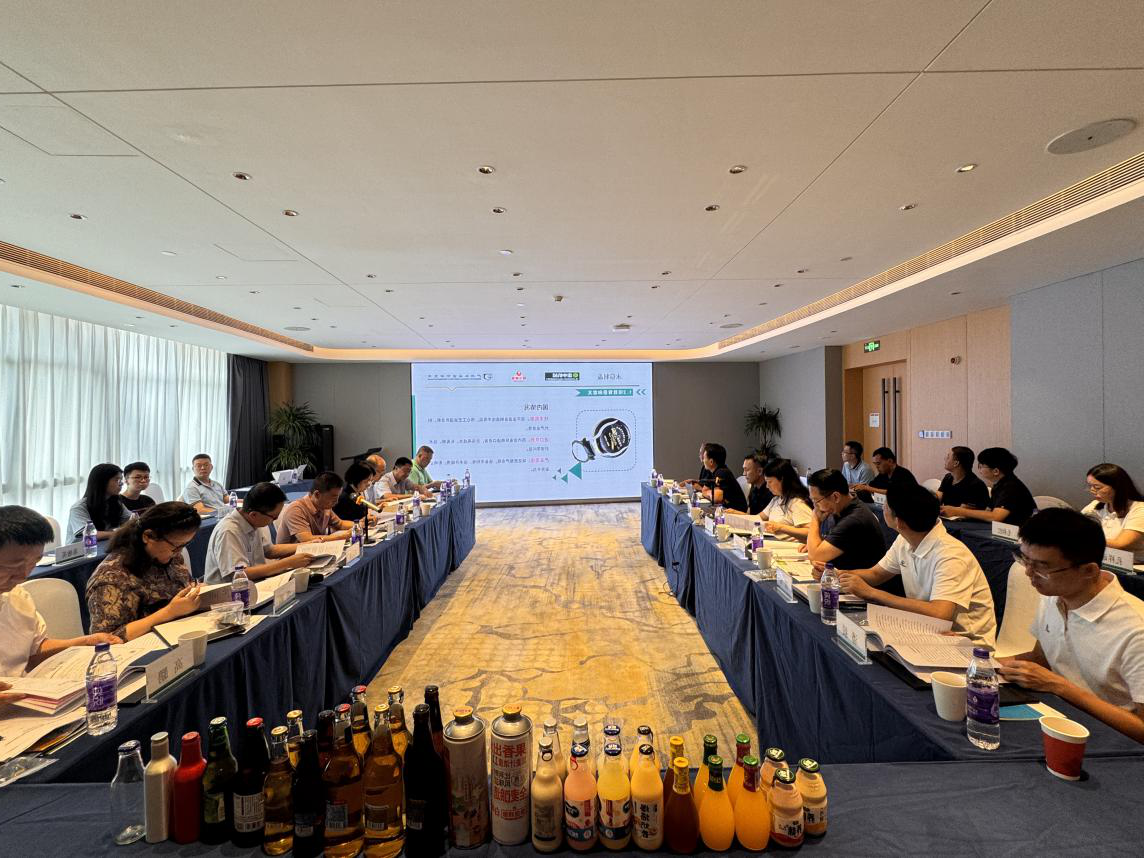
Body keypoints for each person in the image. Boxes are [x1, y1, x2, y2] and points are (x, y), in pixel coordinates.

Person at [998, 509, 1144, 743]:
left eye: (1042, 567)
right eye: (1025, 559)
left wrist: (1060, 686)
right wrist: (978, 662)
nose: (1028, 573)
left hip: (1112, 742)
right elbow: (1041, 659)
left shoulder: (1135, 629)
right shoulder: (1055, 595)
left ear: (1088, 571)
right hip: (1060, 718)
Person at [836, 483, 997, 645]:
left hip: (966, 643)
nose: (883, 508)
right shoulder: (906, 538)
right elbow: (876, 574)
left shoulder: (951, 555)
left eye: (886, 507)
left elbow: (940, 614)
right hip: (925, 627)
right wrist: (838, 574)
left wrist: (872, 593)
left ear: (899, 522)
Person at [0, 507, 121, 694]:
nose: (23, 575)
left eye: (33, 564)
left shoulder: (18, 598)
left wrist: (86, 641)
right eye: (13, 566)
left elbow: (34, 650)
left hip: (22, 696)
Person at [85, 502, 204, 640]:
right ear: (148, 536)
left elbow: (183, 592)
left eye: (184, 545)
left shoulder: (171, 558)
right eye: (175, 546)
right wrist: (169, 612)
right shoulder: (111, 577)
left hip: (180, 634)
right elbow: (105, 639)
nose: (178, 552)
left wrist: (196, 593)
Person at [203, 483, 310, 583]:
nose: (275, 520)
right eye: (274, 517)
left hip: (255, 584)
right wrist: (287, 563)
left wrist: (307, 545)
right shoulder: (229, 531)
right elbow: (239, 574)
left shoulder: (255, 521)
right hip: (230, 592)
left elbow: (270, 550)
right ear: (253, 514)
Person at [806, 469, 886, 572]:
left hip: (860, 580)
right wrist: (817, 545)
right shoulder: (840, 509)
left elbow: (815, 556)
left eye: (816, 500)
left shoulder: (854, 520)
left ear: (836, 497)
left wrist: (815, 519)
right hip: (840, 575)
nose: (815, 506)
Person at [941, 447, 1036, 527]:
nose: (979, 468)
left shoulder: (1011, 487)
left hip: (1020, 535)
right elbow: (988, 511)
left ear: (996, 471)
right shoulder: (999, 484)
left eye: (982, 466)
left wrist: (958, 511)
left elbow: (995, 517)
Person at [1082, 464, 1144, 563]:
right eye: (1090, 486)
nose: (1092, 490)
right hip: (1105, 562)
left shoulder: (1139, 509)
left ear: (1117, 487)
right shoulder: (1095, 505)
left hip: (1136, 566)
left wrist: (1082, 539)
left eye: (1097, 487)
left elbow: (1120, 544)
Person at [274, 471, 355, 544]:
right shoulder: (296, 509)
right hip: (293, 554)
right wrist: (341, 537)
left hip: (313, 550)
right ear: (317, 494)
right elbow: (307, 539)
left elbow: (340, 524)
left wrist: (358, 525)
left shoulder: (324, 506)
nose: (336, 502)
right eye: (333, 498)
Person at [67, 463, 132, 542]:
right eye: (117, 480)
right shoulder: (79, 508)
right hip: (84, 548)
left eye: (121, 480)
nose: (121, 484)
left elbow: (132, 522)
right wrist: (118, 533)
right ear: (102, 482)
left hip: (108, 545)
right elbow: (89, 534)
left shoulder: (116, 502)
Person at [758, 459, 814, 542]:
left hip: (790, 547)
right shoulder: (777, 499)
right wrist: (738, 515)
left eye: (770, 482)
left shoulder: (797, 502)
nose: (767, 486)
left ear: (782, 480)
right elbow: (759, 518)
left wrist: (781, 527)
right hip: (775, 542)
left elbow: (810, 532)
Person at [698, 443, 748, 512]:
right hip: (726, 510)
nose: (703, 460)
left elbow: (716, 498)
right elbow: (704, 490)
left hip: (736, 513)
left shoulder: (722, 473)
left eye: (704, 458)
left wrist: (708, 492)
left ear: (711, 461)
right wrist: (710, 493)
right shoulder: (714, 471)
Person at [851, 447, 917, 497]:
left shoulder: (903, 474)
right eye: (875, 464)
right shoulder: (883, 474)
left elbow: (894, 493)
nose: (876, 466)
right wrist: (858, 487)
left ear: (890, 461)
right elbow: (871, 486)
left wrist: (867, 488)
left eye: (878, 463)